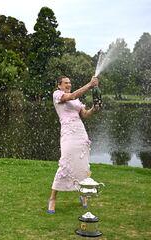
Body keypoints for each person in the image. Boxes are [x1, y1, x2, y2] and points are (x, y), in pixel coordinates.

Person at [47, 76, 100, 214]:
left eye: (70, 83)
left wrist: (95, 108)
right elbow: (70, 96)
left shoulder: (76, 100)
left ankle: (82, 194)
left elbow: (85, 114)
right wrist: (89, 85)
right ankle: (52, 199)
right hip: (68, 133)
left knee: (83, 165)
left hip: (80, 134)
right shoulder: (57, 95)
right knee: (65, 164)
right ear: (59, 85)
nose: (69, 84)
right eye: (66, 83)